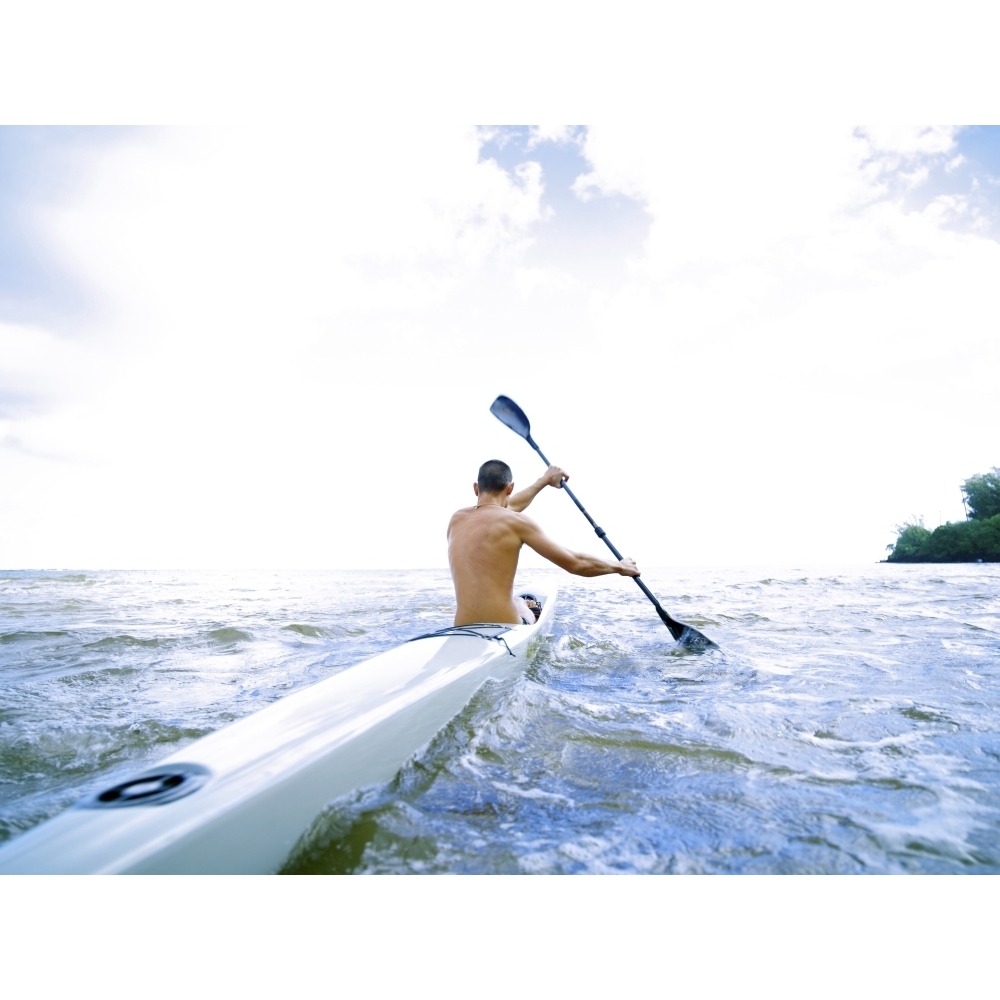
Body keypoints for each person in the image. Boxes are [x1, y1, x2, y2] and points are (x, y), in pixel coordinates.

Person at [447, 459, 640, 626]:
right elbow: (575, 563)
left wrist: (545, 481)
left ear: (475, 488)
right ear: (510, 488)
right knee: (520, 603)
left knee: (514, 598)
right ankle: (524, 609)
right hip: (507, 627)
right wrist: (620, 567)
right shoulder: (516, 522)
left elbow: (506, 507)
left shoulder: (456, 519)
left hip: (463, 628)